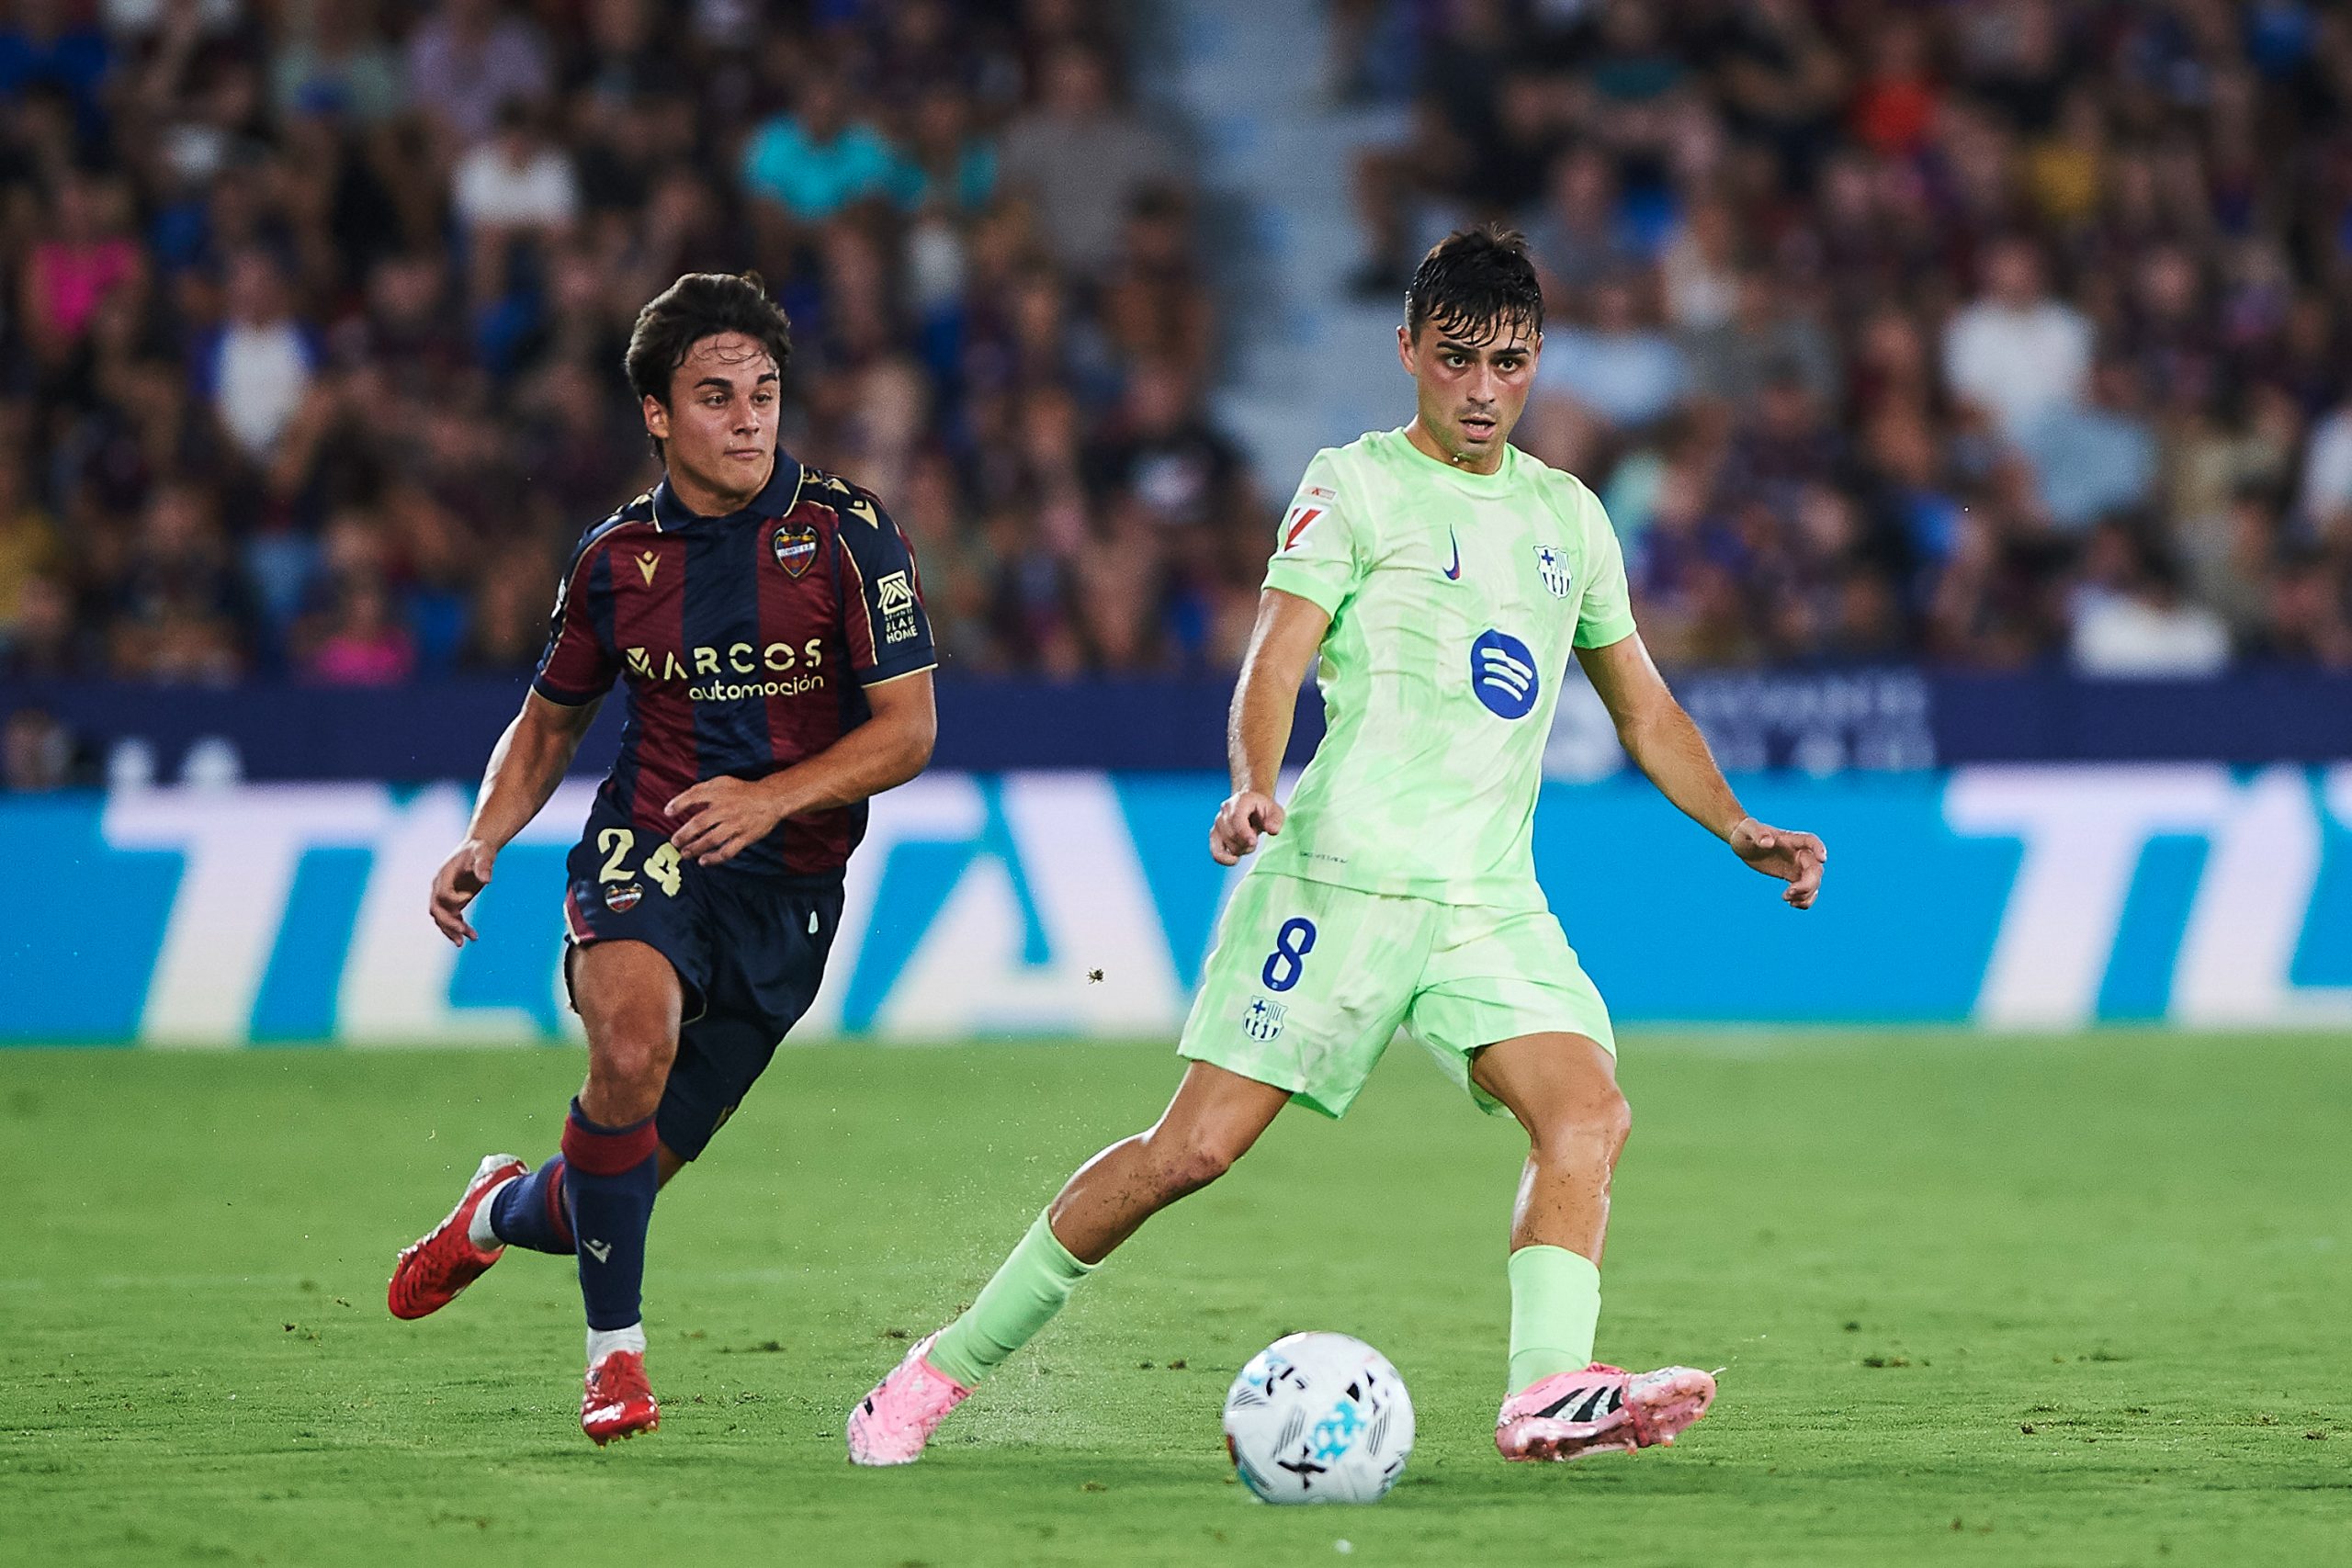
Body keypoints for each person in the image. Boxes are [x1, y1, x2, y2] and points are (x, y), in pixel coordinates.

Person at [847, 228, 1826, 1468]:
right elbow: (1278, 654)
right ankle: (937, 1371)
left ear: (1538, 363)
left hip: (1486, 898)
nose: (1482, 388)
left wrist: (1736, 822)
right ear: (1410, 348)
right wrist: (1254, 783)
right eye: (1459, 357)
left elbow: (1645, 704)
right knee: (1187, 1151)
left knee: (1590, 1113)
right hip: (1343, 876)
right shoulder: (1354, 483)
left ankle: (1546, 1389)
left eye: (1510, 362)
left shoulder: (1566, 517)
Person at [385, 273, 938, 1445]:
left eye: (764, 394)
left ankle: (492, 1213)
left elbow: (909, 731)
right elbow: (549, 723)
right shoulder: (613, 561)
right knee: (628, 1049)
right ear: (655, 413)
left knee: (606, 1188)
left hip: (790, 891)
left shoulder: (848, 533)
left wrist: (772, 798)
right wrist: (484, 838)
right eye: (715, 396)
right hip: (654, 842)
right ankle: (615, 1363)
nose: (747, 419)